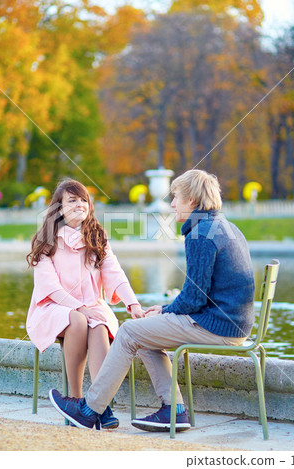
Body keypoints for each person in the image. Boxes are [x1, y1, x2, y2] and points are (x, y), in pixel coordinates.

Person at [48, 170, 255, 432]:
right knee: (144, 331)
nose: (171, 204)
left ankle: (89, 410)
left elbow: (194, 297)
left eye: (176, 197)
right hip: (232, 324)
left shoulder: (201, 233)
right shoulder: (225, 226)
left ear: (191, 200)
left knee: (128, 331)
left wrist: (167, 310)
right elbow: (199, 296)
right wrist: (163, 312)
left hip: (217, 326)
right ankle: (175, 411)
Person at [26, 179, 144, 429]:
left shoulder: (97, 238)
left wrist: (132, 303)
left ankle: (99, 404)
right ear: (59, 208)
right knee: (78, 319)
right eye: (72, 200)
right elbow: (50, 288)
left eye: (84, 200)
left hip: (93, 305)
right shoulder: (46, 240)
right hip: (54, 307)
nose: (80, 204)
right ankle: (76, 400)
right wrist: (79, 308)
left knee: (99, 325)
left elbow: (115, 273)